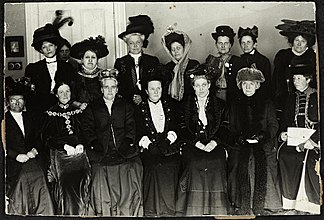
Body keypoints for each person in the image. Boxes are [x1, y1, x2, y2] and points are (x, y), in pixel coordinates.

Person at [81, 69, 143, 216]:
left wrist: (128, 142)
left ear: (117, 89)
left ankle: (127, 210)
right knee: (99, 171)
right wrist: (94, 143)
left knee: (132, 167)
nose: (110, 90)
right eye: (106, 87)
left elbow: (131, 126)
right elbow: (87, 129)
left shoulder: (125, 105)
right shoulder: (93, 106)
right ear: (102, 89)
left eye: (113, 87)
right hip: (101, 150)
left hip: (123, 149)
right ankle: (105, 211)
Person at [176, 63, 229, 216]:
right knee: (194, 163)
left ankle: (216, 207)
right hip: (193, 142)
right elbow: (182, 128)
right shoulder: (185, 105)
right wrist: (197, 143)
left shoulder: (220, 104)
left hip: (214, 142)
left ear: (209, 85)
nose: (201, 89)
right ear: (193, 87)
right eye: (197, 85)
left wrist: (214, 142)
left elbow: (225, 127)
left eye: (204, 85)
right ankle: (195, 207)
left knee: (217, 161)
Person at [227, 68, 281, 215]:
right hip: (241, 143)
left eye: (252, 84)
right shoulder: (235, 104)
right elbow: (231, 127)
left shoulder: (267, 103)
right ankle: (240, 203)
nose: (248, 87)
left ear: (257, 85)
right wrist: (239, 138)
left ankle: (265, 204)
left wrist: (263, 136)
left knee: (265, 162)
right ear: (240, 86)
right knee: (238, 162)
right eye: (244, 84)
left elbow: (273, 125)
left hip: (263, 142)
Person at [135, 66, 181, 217]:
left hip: (168, 144)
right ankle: (153, 210)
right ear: (146, 91)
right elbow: (139, 131)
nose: (156, 92)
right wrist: (150, 143)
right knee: (154, 166)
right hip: (150, 146)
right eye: (152, 89)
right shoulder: (139, 108)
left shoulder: (170, 105)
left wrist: (168, 140)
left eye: (158, 88)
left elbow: (175, 126)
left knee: (171, 164)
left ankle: (169, 209)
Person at [5, 78, 54, 215]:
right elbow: (2, 144)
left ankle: (44, 212)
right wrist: (16, 155)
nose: (16, 103)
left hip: (32, 157)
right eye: (13, 100)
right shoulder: (4, 120)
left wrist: (35, 150)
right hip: (12, 160)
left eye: (20, 100)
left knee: (39, 174)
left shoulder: (31, 117)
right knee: (23, 177)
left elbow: (38, 139)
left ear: (24, 102)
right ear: (8, 102)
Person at [277, 57, 320, 214]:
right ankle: (291, 204)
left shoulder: (317, 96)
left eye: (299, 78)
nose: (295, 81)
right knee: (285, 157)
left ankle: (312, 205)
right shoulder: (291, 98)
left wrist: (314, 141)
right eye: (294, 78)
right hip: (295, 141)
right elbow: (285, 122)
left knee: (310, 161)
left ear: (308, 80)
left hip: (314, 142)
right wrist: (282, 134)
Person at [41, 82, 91, 215]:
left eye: (67, 91)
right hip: (60, 153)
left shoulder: (79, 112)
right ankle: (68, 213)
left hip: (79, 151)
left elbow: (86, 131)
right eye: (61, 92)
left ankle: (84, 213)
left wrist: (81, 144)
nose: (64, 94)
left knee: (84, 176)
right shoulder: (50, 113)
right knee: (67, 180)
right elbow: (47, 139)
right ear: (56, 94)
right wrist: (64, 146)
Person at [25, 23, 76, 119]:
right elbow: (30, 95)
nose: (48, 49)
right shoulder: (33, 68)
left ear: (56, 46)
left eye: (51, 45)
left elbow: (73, 90)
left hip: (63, 110)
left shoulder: (67, 67)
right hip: (40, 111)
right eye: (44, 47)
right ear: (40, 50)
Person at [273, 19, 316, 118]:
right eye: (297, 40)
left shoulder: (312, 57)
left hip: (306, 101)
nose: (299, 44)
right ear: (292, 40)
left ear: (307, 43)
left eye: (303, 41)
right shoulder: (283, 56)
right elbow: (276, 80)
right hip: (284, 100)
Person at [114, 15, 160, 106]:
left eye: (138, 42)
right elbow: (119, 86)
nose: (135, 46)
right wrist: (132, 97)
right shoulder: (120, 62)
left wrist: (142, 96)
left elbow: (156, 83)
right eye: (131, 43)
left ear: (142, 43)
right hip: (127, 104)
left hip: (149, 102)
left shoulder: (152, 61)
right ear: (127, 44)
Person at [206, 25, 243, 104]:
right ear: (216, 44)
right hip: (215, 98)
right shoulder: (211, 61)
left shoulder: (238, 62)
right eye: (220, 43)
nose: (223, 46)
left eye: (226, 43)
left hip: (233, 100)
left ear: (230, 45)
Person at [161, 27, 199, 103]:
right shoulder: (168, 67)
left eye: (178, 48)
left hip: (191, 104)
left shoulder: (194, 65)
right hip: (172, 105)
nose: (176, 52)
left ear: (184, 48)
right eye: (173, 49)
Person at [70, 35, 109, 109]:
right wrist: (79, 105)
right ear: (82, 60)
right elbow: (70, 100)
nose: (90, 60)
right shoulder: (75, 78)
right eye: (87, 57)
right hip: (82, 114)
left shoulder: (105, 76)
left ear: (97, 60)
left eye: (93, 57)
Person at [238, 26, 272, 99]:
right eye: (243, 43)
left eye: (248, 42)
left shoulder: (263, 61)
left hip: (260, 100)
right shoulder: (238, 61)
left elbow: (267, 85)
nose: (245, 45)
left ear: (255, 44)